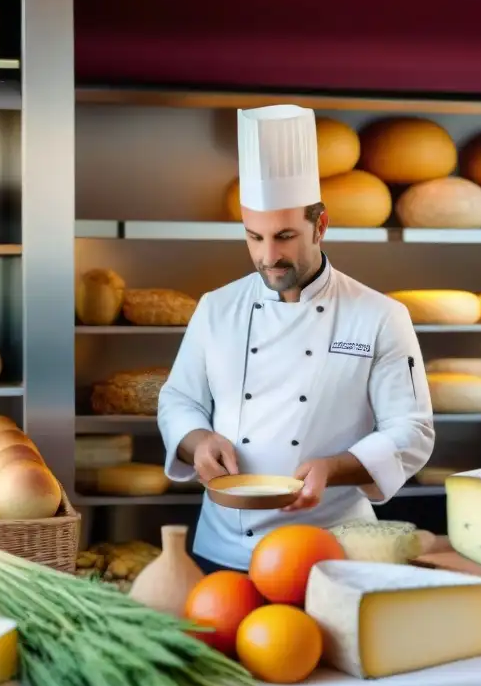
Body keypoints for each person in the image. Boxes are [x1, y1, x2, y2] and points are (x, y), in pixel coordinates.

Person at [157, 104, 434, 574]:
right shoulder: (216, 308)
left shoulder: (380, 316)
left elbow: (411, 430)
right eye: (254, 237)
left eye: (284, 236)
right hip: (221, 548)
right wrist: (197, 440)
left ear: (320, 226)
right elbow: (178, 399)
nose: (268, 257)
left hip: (329, 549)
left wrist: (334, 466)